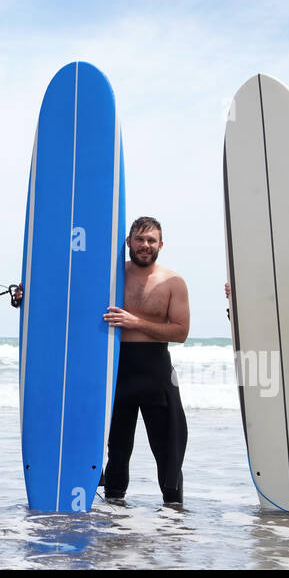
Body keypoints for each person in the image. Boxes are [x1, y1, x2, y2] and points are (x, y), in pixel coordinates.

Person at [100, 216, 190, 505]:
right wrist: (25, 295)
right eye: (139, 239)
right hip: (118, 370)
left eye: (151, 240)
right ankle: (114, 523)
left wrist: (134, 322)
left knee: (168, 454)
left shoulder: (173, 282)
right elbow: (67, 294)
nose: (145, 245)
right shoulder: (111, 276)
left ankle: (175, 525)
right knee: (117, 453)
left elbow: (180, 332)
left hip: (155, 372)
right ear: (128, 242)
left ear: (161, 244)